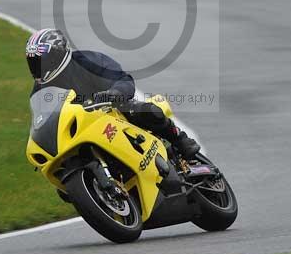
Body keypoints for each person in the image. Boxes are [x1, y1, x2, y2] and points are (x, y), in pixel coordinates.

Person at [25, 28, 200, 159]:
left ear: (58, 55)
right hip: (80, 128)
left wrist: (113, 93)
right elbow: (41, 119)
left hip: (112, 111)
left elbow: (122, 78)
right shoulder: (39, 90)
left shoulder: (87, 61)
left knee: (146, 110)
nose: (38, 68)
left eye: (42, 61)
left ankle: (180, 140)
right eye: (33, 62)